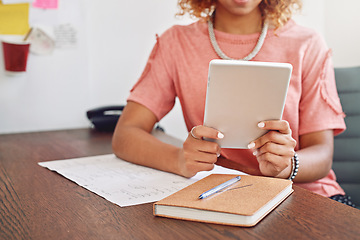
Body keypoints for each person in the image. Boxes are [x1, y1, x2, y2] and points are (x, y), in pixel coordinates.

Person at [112, 0, 355, 207]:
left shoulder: (307, 43)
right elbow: (126, 134)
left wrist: (287, 165)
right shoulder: (176, 42)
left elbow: (323, 155)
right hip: (220, 196)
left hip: (305, 197)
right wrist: (179, 159)